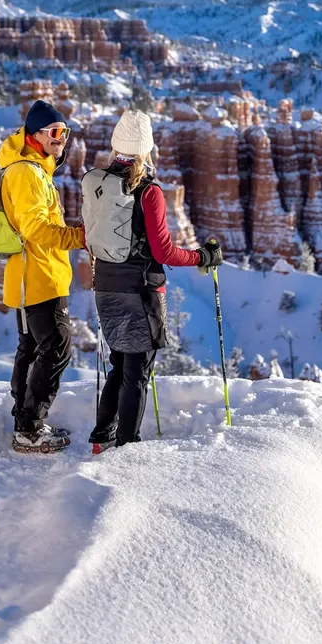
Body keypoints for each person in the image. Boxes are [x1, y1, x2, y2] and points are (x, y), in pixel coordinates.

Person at [87, 110, 222, 453]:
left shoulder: (100, 182)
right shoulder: (148, 191)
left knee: (119, 366)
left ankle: (102, 438)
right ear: (146, 149)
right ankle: (127, 447)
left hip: (105, 286)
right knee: (137, 373)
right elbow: (163, 251)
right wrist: (201, 257)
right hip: (139, 292)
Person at [0, 100, 85, 453]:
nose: (61, 138)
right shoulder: (27, 173)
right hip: (39, 277)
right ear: (34, 135)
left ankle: (25, 421)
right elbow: (35, 228)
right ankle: (30, 429)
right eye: (54, 132)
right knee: (57, 348)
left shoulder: (32, 169)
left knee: (32, 348)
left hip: (30, 275)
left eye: (64, 132)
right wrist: (79, 237)